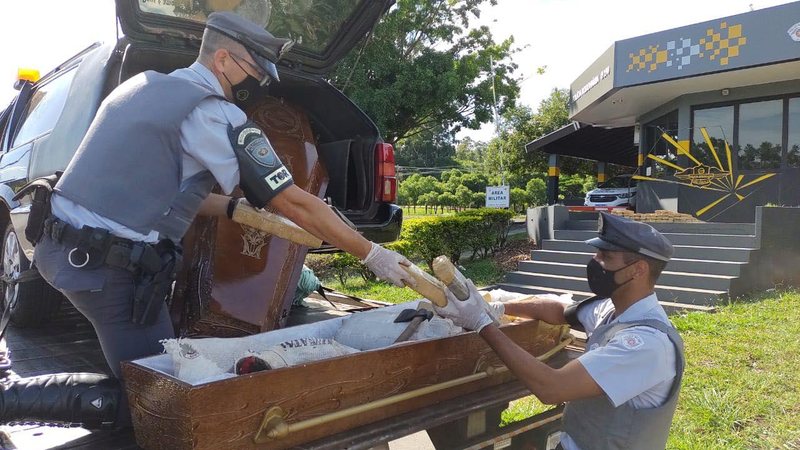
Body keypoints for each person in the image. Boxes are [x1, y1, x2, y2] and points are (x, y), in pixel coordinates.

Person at [0, 12, 413, 428]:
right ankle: (11, 400)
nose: (262, 85)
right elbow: (296, 202)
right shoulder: (213, 113)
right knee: (163, 399)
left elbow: (156, 191)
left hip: (64, 250)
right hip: (107, 270)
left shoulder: (141, 89)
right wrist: (372, 253)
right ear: (222, 60)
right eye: (256, 72)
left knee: (156, 375)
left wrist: (232, 208)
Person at [436, 212, 685, 450]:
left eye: (605, 257)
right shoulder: (612, 309)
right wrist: (496, 308)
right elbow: (556, 310)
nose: (595, 262)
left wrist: (481, 323)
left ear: (638, 269)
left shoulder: (646, 346)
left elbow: (552, 388)